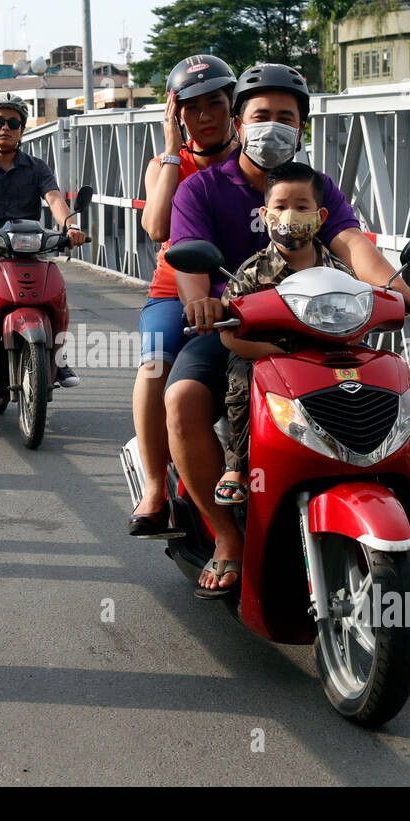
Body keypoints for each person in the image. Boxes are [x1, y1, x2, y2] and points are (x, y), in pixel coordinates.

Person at [166, 63, 410, 598]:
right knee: (180, 400)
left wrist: (399, 290)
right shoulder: (200, 189)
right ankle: (226, 538)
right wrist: (201, 305)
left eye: (285, 117)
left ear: (302, 128)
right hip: (237, 330)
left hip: (317, 331)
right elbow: (190, 270)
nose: (273, 126)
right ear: (239, 123)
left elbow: (353, 245)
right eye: (261, 115)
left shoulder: (317, 187)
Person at [127, 53, 239, 538]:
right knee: (156, 361)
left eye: (215, 103)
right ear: (177, 114)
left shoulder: (255, 158)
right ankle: (154, 486)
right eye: (191, 108)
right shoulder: (167, 164)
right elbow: (155, 228)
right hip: (177, 293)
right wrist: (173, 150)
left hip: (245, 288)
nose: (206, 116)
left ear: (234, 106)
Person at [215, 161, 352, 508]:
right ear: (265, 213)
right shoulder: (250, 272)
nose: (290, 215)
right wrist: (272, 356)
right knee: (245, 382)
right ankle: (237, 467)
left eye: (301, 207)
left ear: (320, 216)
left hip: (323, 357)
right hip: (264, 357)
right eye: (281, 207)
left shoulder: (338, 271)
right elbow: (230, 335)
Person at [0, 93, 86, 394]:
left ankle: (57, 356)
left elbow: (53, 199)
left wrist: (71, 225)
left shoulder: (37, 167)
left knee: (57, 291)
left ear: (22, 129)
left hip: (30, 248)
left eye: (13, 122)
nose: (5, 128)